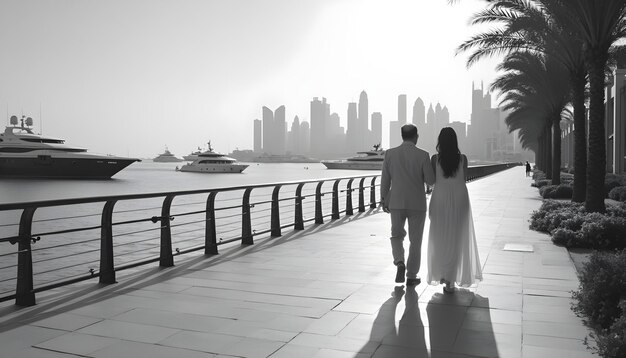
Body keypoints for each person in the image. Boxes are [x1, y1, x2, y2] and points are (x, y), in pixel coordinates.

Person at [427, 127, 482, 293]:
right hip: (459, 199)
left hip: (440, 199)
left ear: (440, 141)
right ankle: (451, 280)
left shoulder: (434, 158)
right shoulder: (463, 159)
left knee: (440, 238)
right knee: (457, 238)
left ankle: (444, 275)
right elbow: (463, 178)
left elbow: (431, 181)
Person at [381, 124, 435, 286]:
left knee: (396, 235)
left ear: (402, 136)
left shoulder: (390, 154)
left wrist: (384, 199)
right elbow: (431, 181)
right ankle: (411, 275)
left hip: (396, 201)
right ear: (416, 136)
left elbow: (385, 179)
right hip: (417, 203)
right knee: (415, 240)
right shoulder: (423, 155)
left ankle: (399, 262)